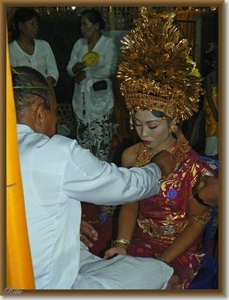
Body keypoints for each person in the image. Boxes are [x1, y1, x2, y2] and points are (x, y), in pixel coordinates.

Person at [11, 65, 181, 289]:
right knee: (161, 273)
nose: (144, 133)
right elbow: (123, 186)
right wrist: (157, 168)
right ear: (39, 111)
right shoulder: (54, 152)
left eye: (152, 125)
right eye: (53, 110)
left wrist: (64, 219)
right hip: (38, 284)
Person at [103, 8, 217, 289]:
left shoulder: (195, 170)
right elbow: (130, 204)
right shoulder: (132, 156)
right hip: (140, 238)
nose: (143, 134)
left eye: (152, 126)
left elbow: (197, 224)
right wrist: (121, 243)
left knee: (162, 285)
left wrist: (163, 262)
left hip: (179, 249)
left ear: (174, 119)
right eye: (137, 124)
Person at [66, 8, 118, 163]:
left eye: (85, 24)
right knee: (84, 152)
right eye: (81, 25)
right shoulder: (79, 44)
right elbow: (69, 69)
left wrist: (87, 74)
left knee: (101, 151)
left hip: (100, 105)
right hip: (80, 105)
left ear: (96, 25)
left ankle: (104, 182)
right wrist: (75, 69)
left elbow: (110, 69)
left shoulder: (107, 44)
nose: (82, 28)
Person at [9, 7, 59, 87]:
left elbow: (53, 72)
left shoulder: (44, 45)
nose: (36, 27)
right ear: (20, 25)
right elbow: (13, 78)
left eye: (37, 24)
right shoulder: (10, 50)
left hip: (45, 93)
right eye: (32, 24)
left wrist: (43, 87)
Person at [203, 52, 218, 159]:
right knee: (213, 128)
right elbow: (209, 97)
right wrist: (215, 112)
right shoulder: (209, 77)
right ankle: (211, 155)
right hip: (212, 108)